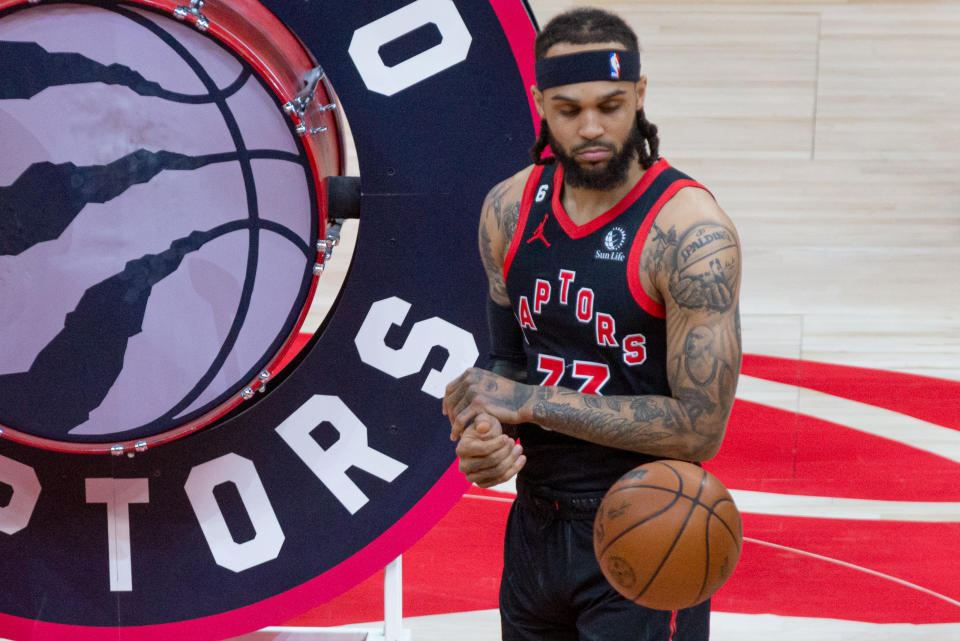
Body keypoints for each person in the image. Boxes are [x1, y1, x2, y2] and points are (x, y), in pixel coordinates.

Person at [442, 7, 741, 641]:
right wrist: (484, 432)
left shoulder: (690, 235)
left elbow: (699, 430)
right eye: (569, 110)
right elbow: (506, 367)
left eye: (610, 105)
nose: (592, 128)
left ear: (639, 96)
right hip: (535, 527)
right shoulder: (508, 208)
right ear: (540, 104)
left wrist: (527, 403)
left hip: (652, 517)